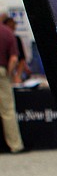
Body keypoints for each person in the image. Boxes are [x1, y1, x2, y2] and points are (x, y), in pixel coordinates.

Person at [0, 16, 24, 153]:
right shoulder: (7, 33)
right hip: (1, 72)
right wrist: (9, 74)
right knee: (7, 111)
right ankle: (15, 145)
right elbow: (14, 58)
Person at [1, 15, 28, 83]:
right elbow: (14, 59)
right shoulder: (12, 37)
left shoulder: (16, 39)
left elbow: (21, 60)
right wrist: (9, 74)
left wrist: (17, 75)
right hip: (5, 71)